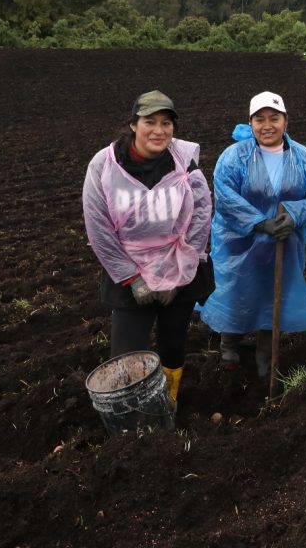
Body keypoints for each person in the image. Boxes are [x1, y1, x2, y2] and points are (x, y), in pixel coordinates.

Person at [82, 90, 214, 406]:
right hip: (130, 270)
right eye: (150, 122)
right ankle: (131, 415)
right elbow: (98, 226)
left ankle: (167, 405)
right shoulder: (104, 164)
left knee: (173, 344)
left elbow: (201, 211)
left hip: (179, 265)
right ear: (133, 125)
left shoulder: (183, 159)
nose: (159, 130)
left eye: (166, 123)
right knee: (127, 353)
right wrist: (132, 278)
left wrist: (181, 274)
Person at [198, 91, 306, 379]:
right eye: (260, 119)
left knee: (273, 292)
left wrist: (294, 215)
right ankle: (229, 345)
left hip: (283, 241)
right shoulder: (234, 156)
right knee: (235, 288)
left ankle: (264, 354)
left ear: (286, 121)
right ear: (251, 123)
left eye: (274, 118)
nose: (267, 125)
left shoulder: (305, 158)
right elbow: (225, 196)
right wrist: (259, 223)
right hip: (238, 242)